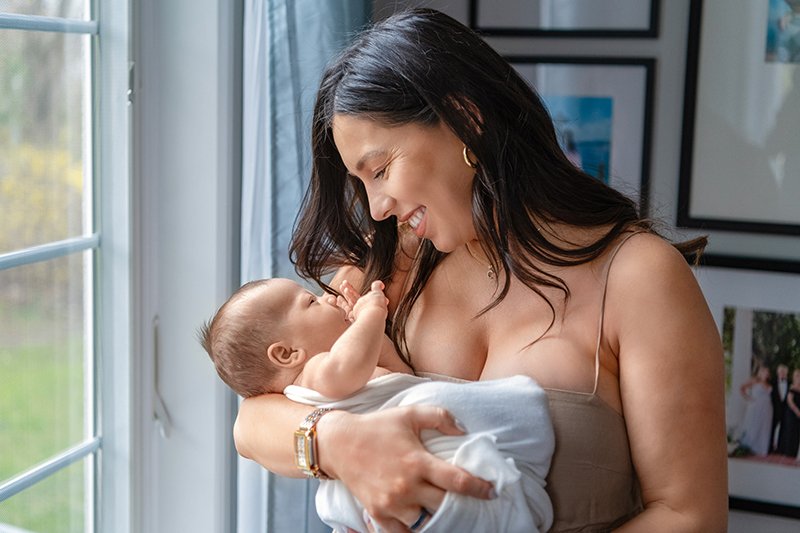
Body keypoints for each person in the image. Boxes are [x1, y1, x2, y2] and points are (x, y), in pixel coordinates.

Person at [233, 8, 728, 532]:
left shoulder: (638, 276)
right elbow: (253, 420)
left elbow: (689, 516)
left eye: (380, 170)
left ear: (466, 121)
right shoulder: (385, 274)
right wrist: (334, 441)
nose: (376, 207)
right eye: (362, 184)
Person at [200, 277, 555, 532]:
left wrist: (376, 341)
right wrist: (371, 315)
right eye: (310, 301)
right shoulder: (314, 373)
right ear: (287, 353)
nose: (327, 297)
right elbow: (344, 369)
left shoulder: (339, 364)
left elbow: (400, 377)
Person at [735, 365, 774, 456]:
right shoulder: (754, 381)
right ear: (760, 373)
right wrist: (748, 398)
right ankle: (750, 447)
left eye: (767, 372)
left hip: (767, 408)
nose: (766, 374)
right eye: (764, 372)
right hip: (756, 407)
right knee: (753, 425)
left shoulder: (769, 384)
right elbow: (742, 388)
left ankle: (761, 449)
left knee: (764, 427)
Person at [776, 368, 800, 458]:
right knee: (790, 430)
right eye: (797, 376)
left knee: (797, 432)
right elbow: (790, 401)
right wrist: (796, 411)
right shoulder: (792, 387)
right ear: (794, 377)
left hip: (798, 414)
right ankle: (787, 451)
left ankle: (794, 452)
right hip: (791, 413)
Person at [770, 363, 790, 453]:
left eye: (784, 372)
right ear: (778, 372)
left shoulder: (790, 384)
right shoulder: (772, 383)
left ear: (787, 373)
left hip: (785, 412)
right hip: (773, 410)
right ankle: (770, 448)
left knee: (783, 430)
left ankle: (781, 449)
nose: (782, 373)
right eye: (781, 371)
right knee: (771, 429)